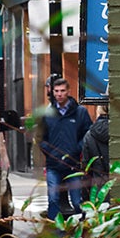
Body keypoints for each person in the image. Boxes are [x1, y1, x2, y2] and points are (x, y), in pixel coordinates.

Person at [38, 78, 92, 220]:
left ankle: (81, 229)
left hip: (73, 165)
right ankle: (56, 231)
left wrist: (76, 149)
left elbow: (88, 134)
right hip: (53, 165)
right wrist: (50, 153)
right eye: (56, 91)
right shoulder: (47, 114)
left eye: (62, 91)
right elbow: (40, 138)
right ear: (52, 92)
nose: (59, 94)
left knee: (77, 201)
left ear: (68, 91)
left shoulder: (80, 112)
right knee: (53, 199)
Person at [81, 105, 110, 202]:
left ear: (98, 112)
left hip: (99, 191)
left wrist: (85, 197)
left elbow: (86, 168)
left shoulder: (89, 135)